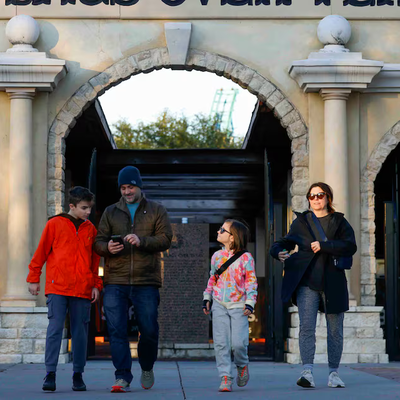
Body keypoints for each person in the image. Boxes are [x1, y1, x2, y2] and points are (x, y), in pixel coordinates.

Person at [270, 182, 357, 389]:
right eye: (312, 196)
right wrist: (277, 251)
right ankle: (307, 372)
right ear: (308, 199)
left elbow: (350, 246)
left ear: (328, 197)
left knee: (335, 331)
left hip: (333, 282)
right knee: (306, 328)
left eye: (320, 195)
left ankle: (333, 373)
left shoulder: (339, 221)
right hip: (307, 282)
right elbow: (284, 242)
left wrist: (325, 246)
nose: (316, 199)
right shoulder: (302, 222)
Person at [94, 165, 172, 393]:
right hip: (115, 281)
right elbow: (98, 242)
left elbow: (165, 239)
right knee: (116, 330)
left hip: (146, 280)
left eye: (130, 187)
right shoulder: (110, 212)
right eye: (123, 188)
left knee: (148, 329)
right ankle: (122, 376)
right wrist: (107, 247)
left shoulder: (157, 210)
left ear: (139, 186)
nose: (127, 191)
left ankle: (146, 366)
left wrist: (142, 241)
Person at [27, 186, 102, 392]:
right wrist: (34, 278)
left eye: (90, 208)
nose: (88, 212)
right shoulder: (54, 224)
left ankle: (78, 375)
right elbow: (41, 252)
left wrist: (96, 284)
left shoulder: (91, 229)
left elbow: (95, 261)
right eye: (84, 208)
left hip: (82, 289)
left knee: (80, 333)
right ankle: (50, 374)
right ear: (72, 206)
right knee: (55, 330)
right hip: (57, 287)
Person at [203, 219, 258, 393]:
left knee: (239, 343)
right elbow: (213, 277)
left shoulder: (246, 258)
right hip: (219, 303)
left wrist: (250, 302)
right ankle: (225, 376)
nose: (218, 231)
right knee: (221, 343)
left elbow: (251, 282)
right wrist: (207, 297)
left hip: (239, 305)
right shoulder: (216, 256)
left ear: (232, 237)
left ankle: (242, 364)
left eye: (222, 230)